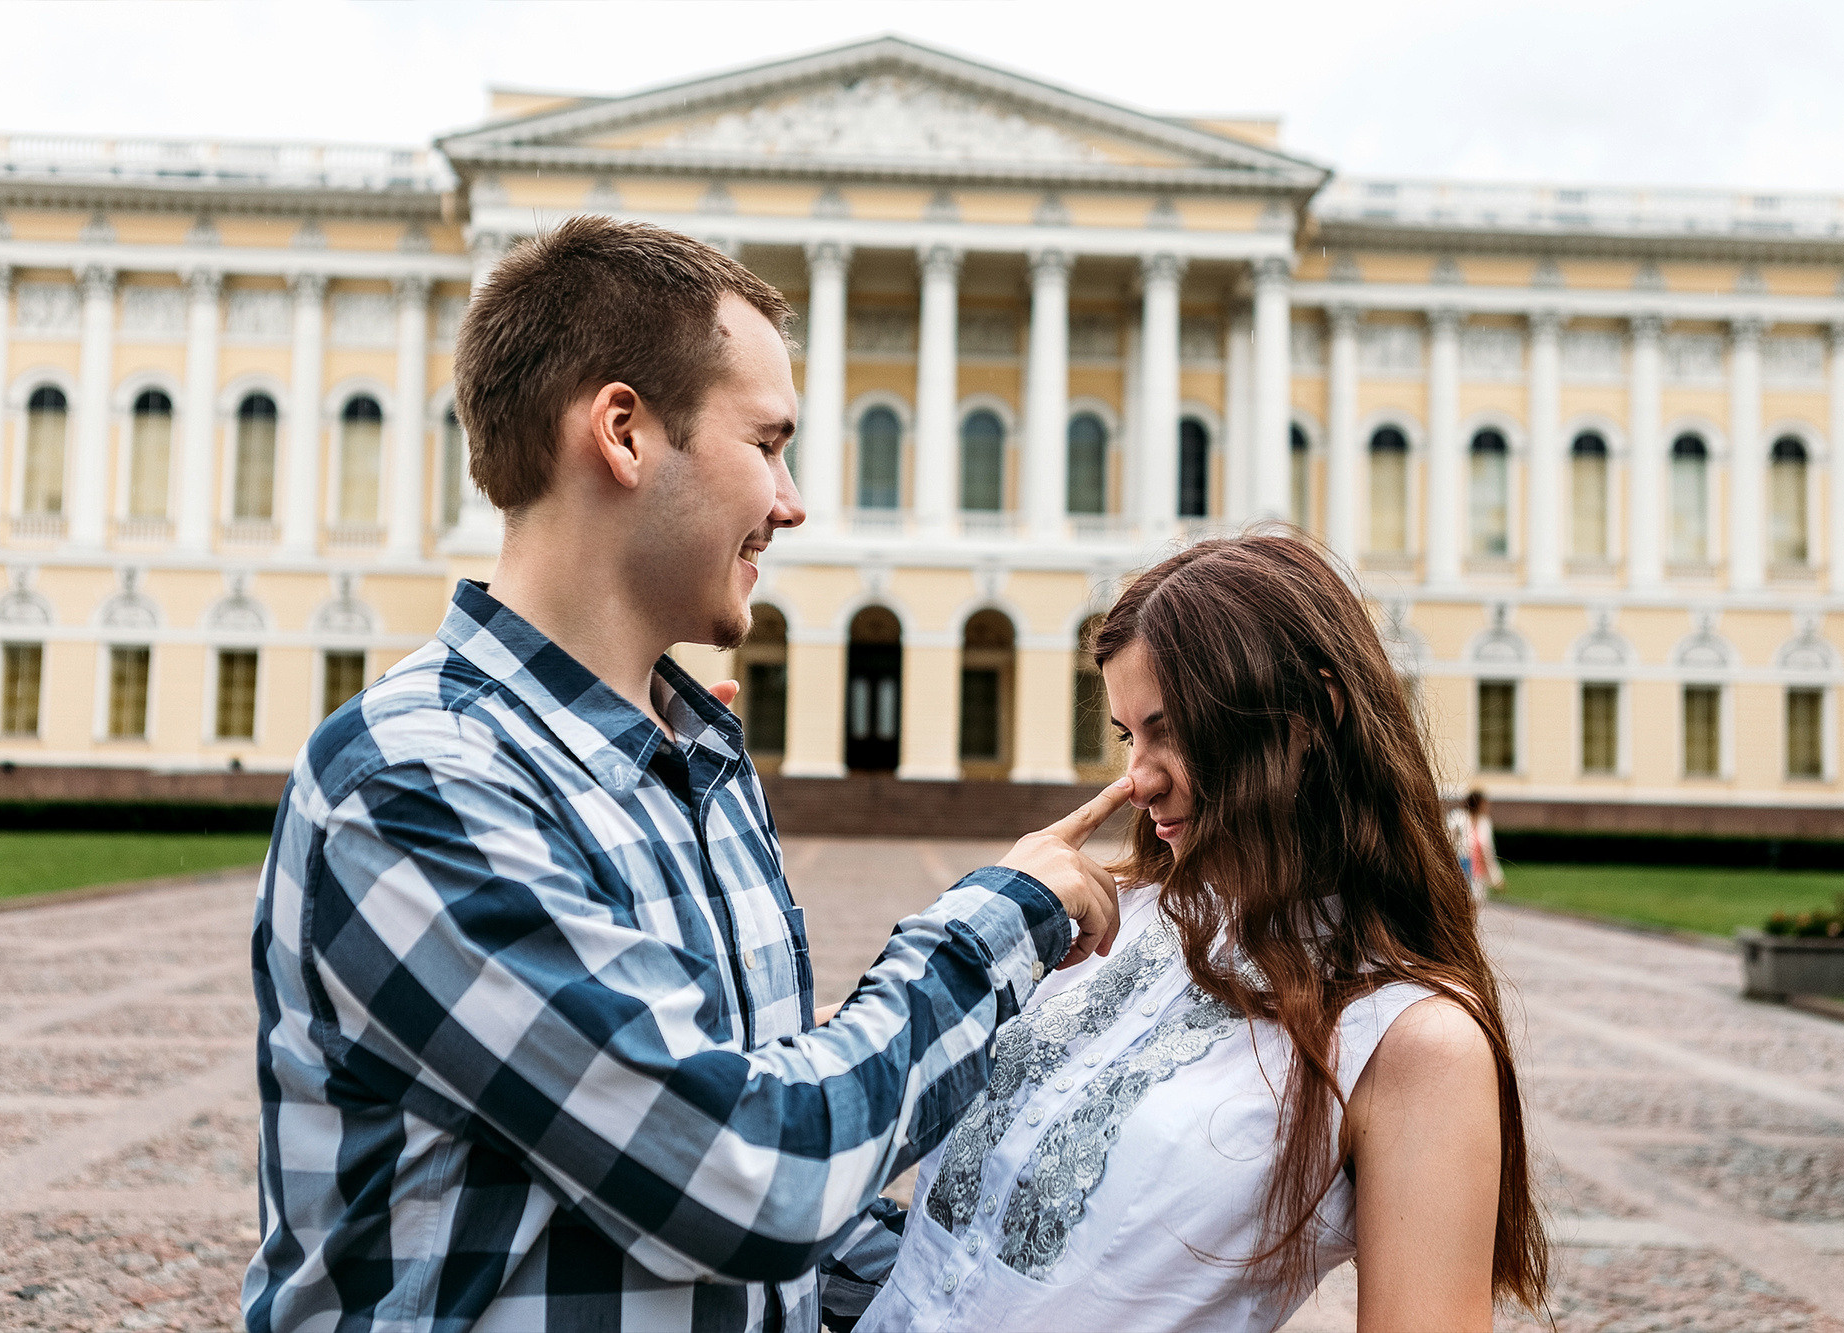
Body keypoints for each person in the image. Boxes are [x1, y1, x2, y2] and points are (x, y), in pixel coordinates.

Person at [242, 216, 1132, 1333]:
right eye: (767, 443)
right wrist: (1001, 925)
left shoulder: (693, 761)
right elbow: (750, 1174)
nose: (793, 500)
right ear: (622, 433)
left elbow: (778, 1222)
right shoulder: (417, 780)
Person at [852, 534, 1548, 1333]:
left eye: (1171, 729)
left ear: (1309, 718)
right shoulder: (1104, 916)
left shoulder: (1409, 1039)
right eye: (1127, 735)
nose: (1138, 777)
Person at [1448, 788, 1505, 902]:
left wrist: (1496, 877)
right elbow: (1449, 838)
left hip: (1479, 872)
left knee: (1477, 903)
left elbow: (1488, 852)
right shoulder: (1458, 817)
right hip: (1462, 866)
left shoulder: (1484, 823)